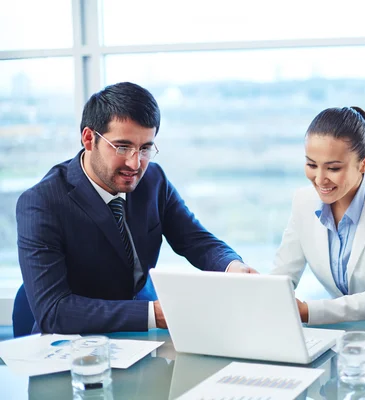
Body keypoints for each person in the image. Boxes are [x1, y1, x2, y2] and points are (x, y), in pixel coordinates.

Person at [16, 82, 256, 335]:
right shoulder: (41, 203)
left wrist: (233, 267)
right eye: (122, 147)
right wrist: (153, 314)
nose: (135, 163)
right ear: (89, 139)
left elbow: (196, 240)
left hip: (142, 331)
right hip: (75, 342)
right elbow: (54, 312)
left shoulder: (153, 180)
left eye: (145, 149)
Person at [271, 106, 365, 325]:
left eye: (333, 168)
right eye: (311, 165)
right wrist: (268, 295)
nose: (320, 179)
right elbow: (282, 276)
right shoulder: (303, 202)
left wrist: (307, 311)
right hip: (342, 332)